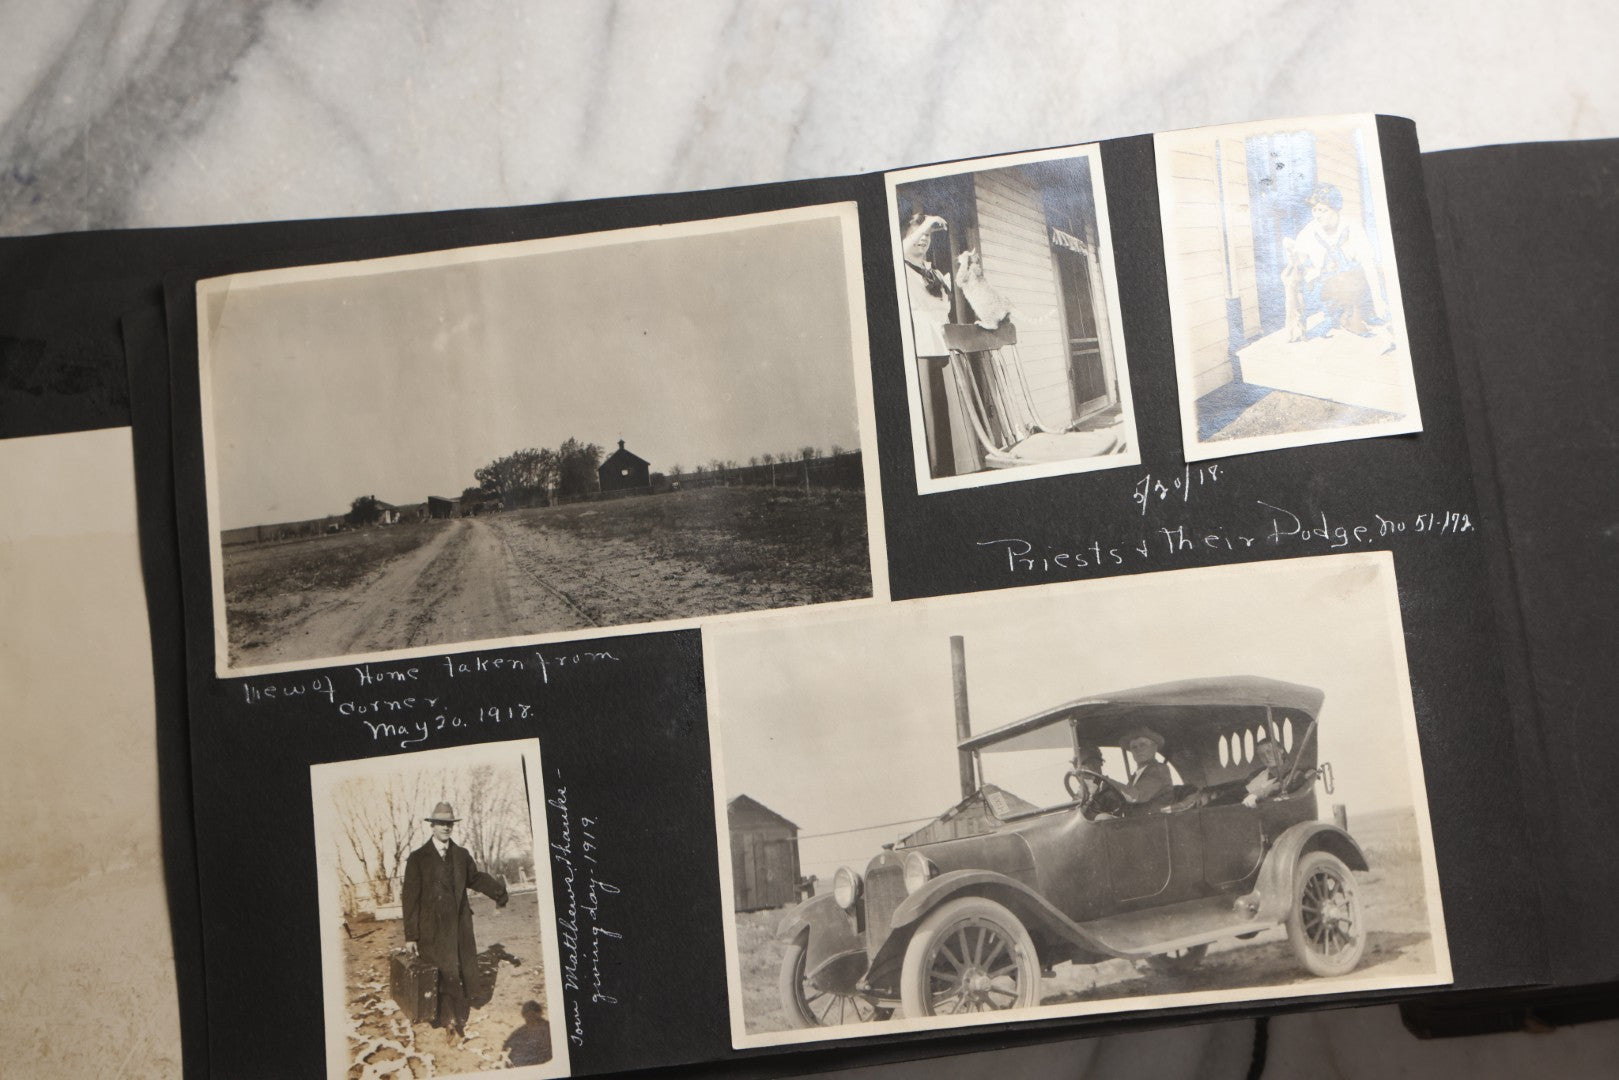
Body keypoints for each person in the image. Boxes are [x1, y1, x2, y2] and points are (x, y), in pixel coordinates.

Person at [402, 801, 509, 1042]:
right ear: (432, 826)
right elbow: (409, 899)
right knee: (442, 972)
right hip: (432, 929)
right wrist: (411, 935)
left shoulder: (461, 855)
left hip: (460, 926)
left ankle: (454, 1018)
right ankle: (449, 1021)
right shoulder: (418, 858)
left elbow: (476, 878)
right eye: (441, 823)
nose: (446, 827)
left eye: (449, 823)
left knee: (459, 969)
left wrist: (498, 892)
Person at [1282, 183, 1391, 342]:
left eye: (1322, 210)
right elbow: (1295, 272)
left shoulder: (1352, 227)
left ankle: (1360, 313)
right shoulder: (1308, 233)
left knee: (1376, 268)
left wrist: (1379, 301)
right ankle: (1343, 315)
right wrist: (1293, 327)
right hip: (1325, 286)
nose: (1317, 215)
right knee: (1291, 275)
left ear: (1336, 209)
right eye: (1314, 210)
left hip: (1353, 282)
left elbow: (1368, 264)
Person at [1089, 728, 1174, 811]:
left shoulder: (1160, 770)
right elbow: (1123, 800)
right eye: (1134, 747)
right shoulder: (1135, 776)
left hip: (1154, 821)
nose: (1138, 750)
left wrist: (1105, 781)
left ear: (1154, 747)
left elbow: (1135, 797)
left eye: (1142, 745)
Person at [1243, 735, 1288, 808]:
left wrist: (1257, 794)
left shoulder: (1293, 771)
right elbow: (1241, 788)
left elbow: (1284, 784)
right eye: (1262, 755)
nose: (1266, 757)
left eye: (1270, 752)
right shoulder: (1257, 773)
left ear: (1281, 750)